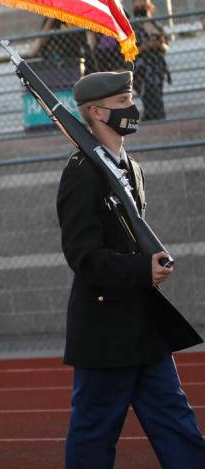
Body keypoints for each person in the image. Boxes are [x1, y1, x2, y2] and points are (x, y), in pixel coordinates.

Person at [57, 71, 205, 468]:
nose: (132, 107)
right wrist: (142, 269)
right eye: (122, 102)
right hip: (105, 330)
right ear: (96, 111)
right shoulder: (81, 172)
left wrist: (145, 268)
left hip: (144, 323)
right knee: (94, 436)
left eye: (130, 98)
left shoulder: (131, 167)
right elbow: (83, 256)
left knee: (176, 424)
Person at [131, 0, 170, 120]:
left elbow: (165, 46)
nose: (140, 8)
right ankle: (154, 119)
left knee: (157, 94)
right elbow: (130, 51)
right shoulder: (132, 27)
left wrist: (159, 43)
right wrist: (146, 46)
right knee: (148, 95)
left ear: (148, 7)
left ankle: (156, 119)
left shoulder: (156, 25)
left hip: (157, 66)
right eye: (137, 6)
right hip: (141, 68)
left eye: (142, 5)